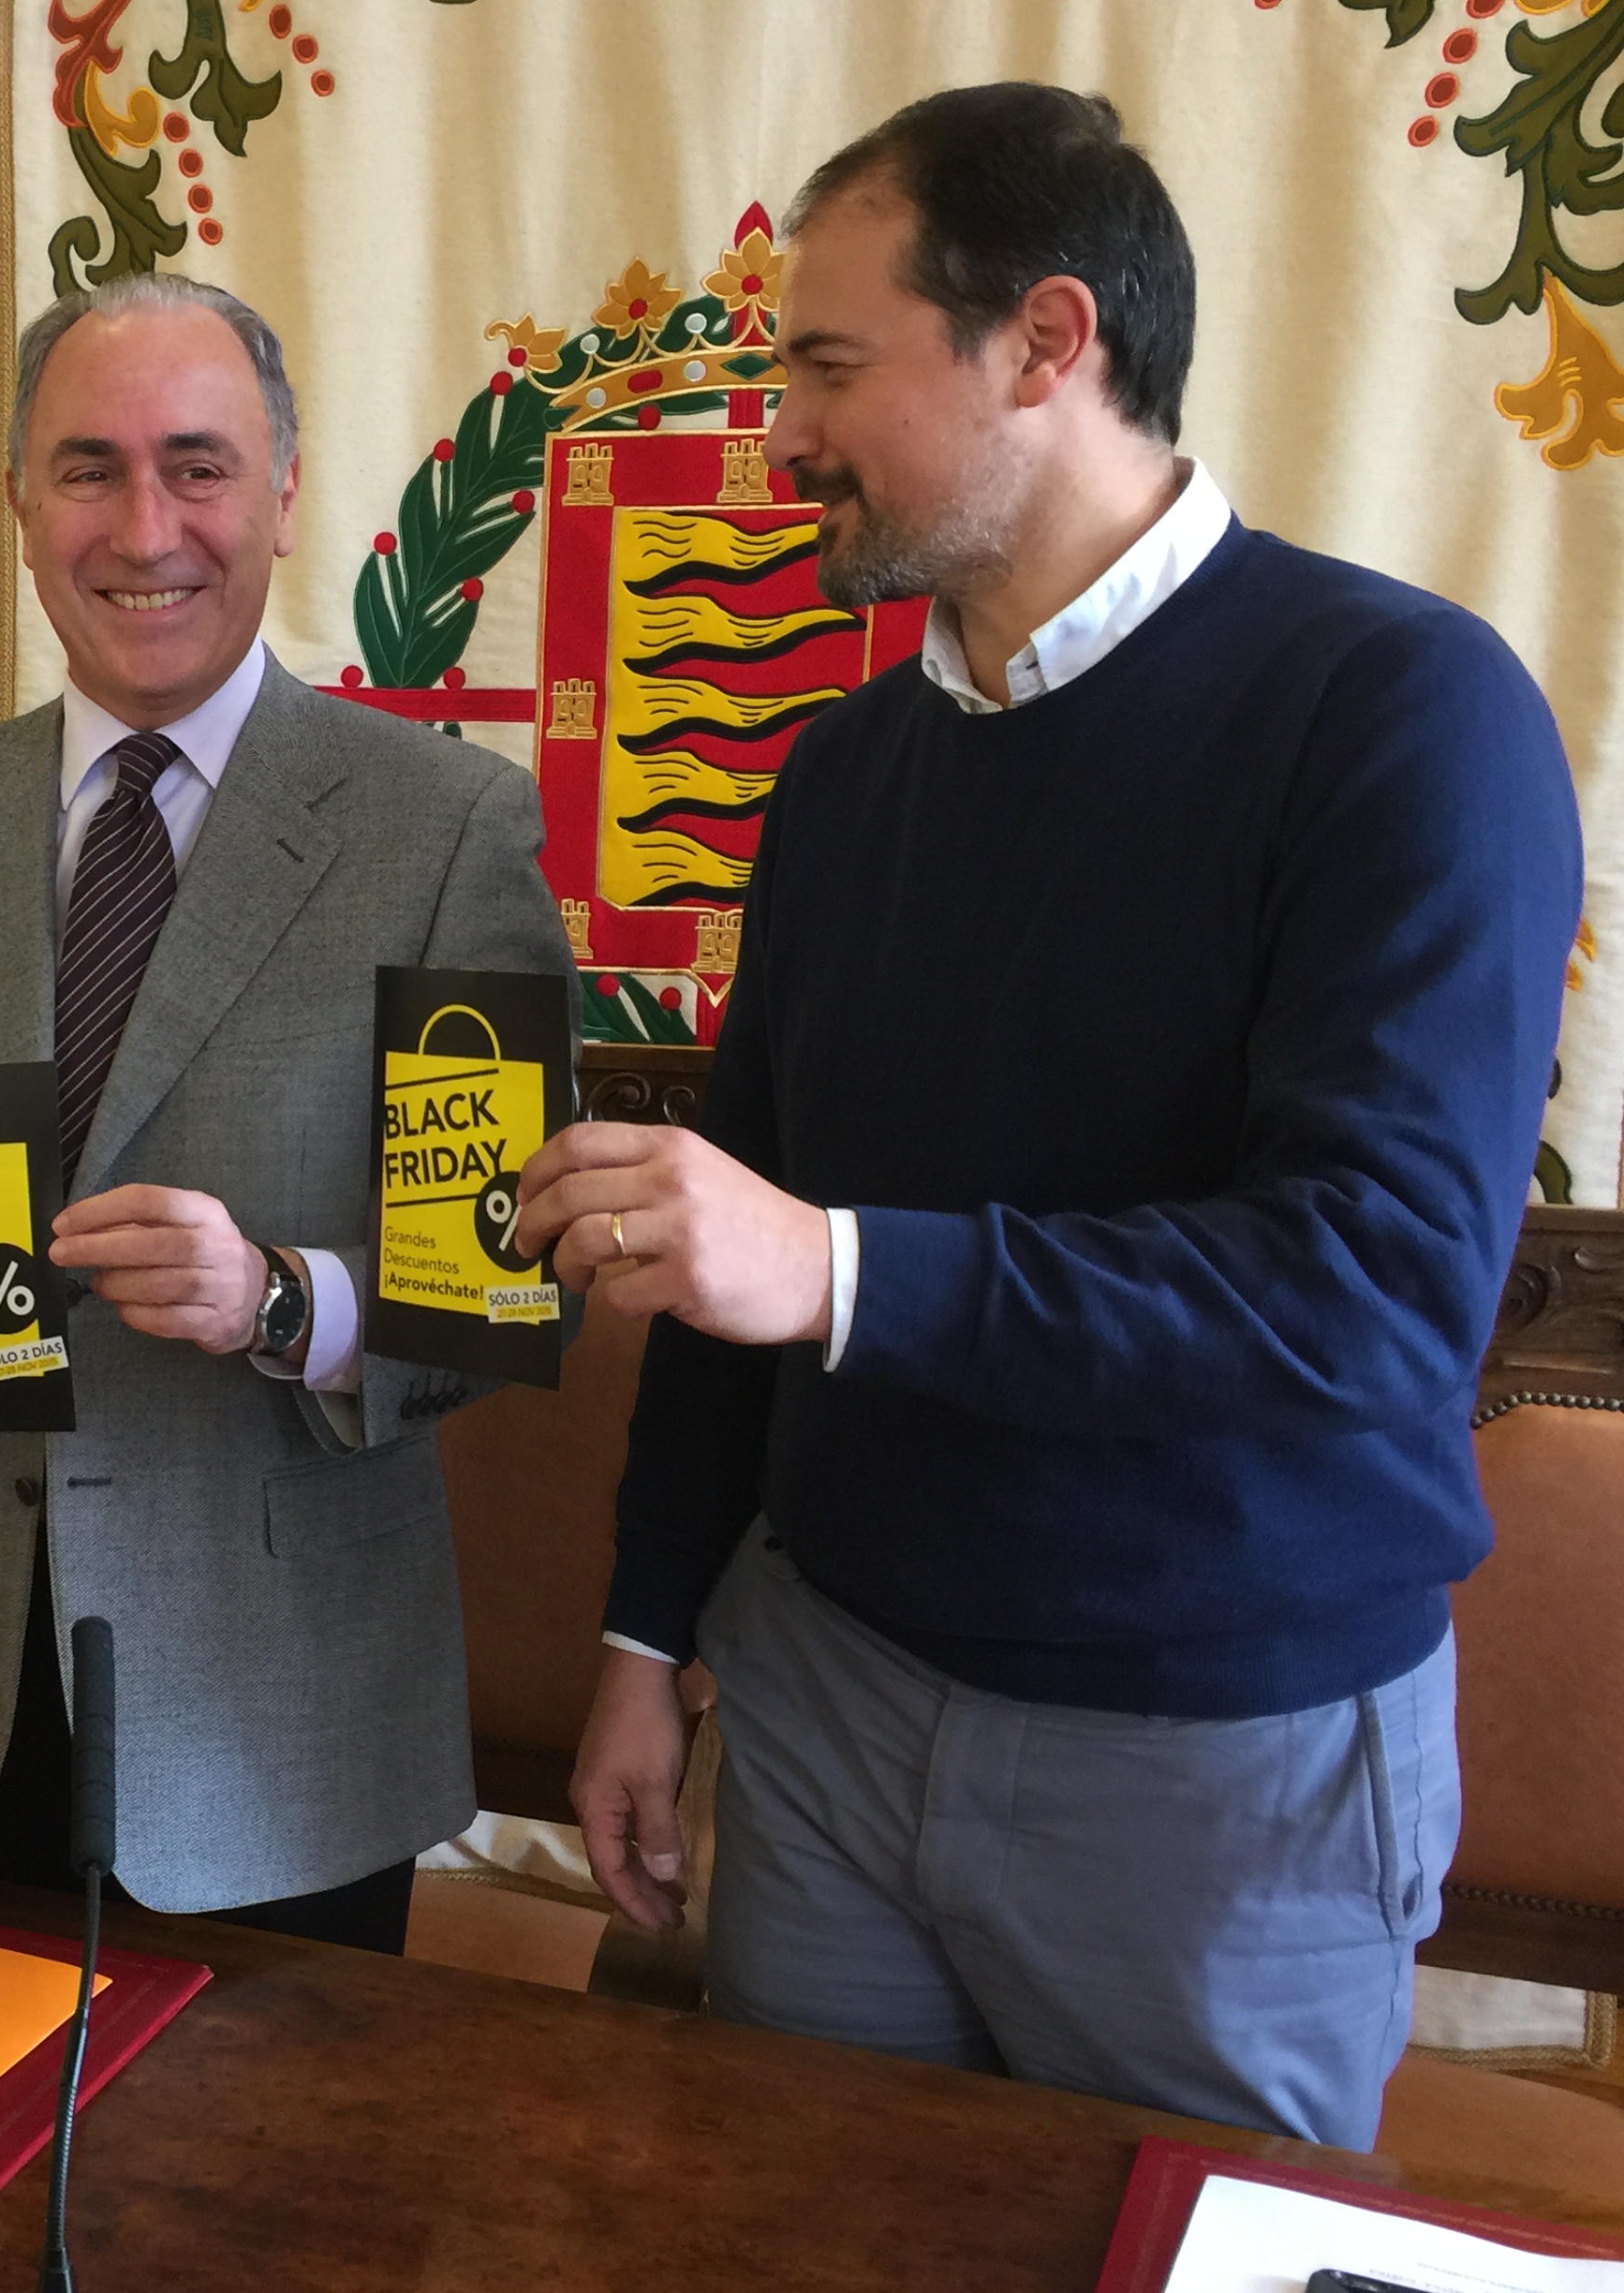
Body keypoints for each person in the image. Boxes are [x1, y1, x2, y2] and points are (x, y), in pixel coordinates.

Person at [513, 83, 1582, 2146]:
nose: (781, 436)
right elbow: (736, 1242)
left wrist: (835, 1271)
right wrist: (646, 1636)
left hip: (1216, 1764)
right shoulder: (841, 774)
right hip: (820, 1709)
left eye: (830, 367)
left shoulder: (1404, 714)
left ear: (1047, 342)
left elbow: (1369, 1300)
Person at [0, 275, 578, 1953]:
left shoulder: (447, 829)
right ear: (19, 504)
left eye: (198, 466)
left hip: (283, 1721)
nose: (146, 527)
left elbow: (509, 1277)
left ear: (283, 493)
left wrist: (281, 1301)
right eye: (89, 469)